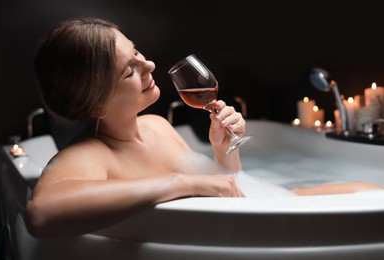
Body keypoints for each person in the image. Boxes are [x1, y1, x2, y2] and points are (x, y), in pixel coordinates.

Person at [25, 17, 382, 238]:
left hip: (247, 218)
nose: (148, 63)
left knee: (368, 190)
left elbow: (229, 190)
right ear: (94, 103)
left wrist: (223, 150)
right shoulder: (89, 154)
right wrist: (186, 183)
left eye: (137, 52)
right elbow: (40, 215)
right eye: (129, 70)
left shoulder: (155, 126)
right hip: (241, 232)